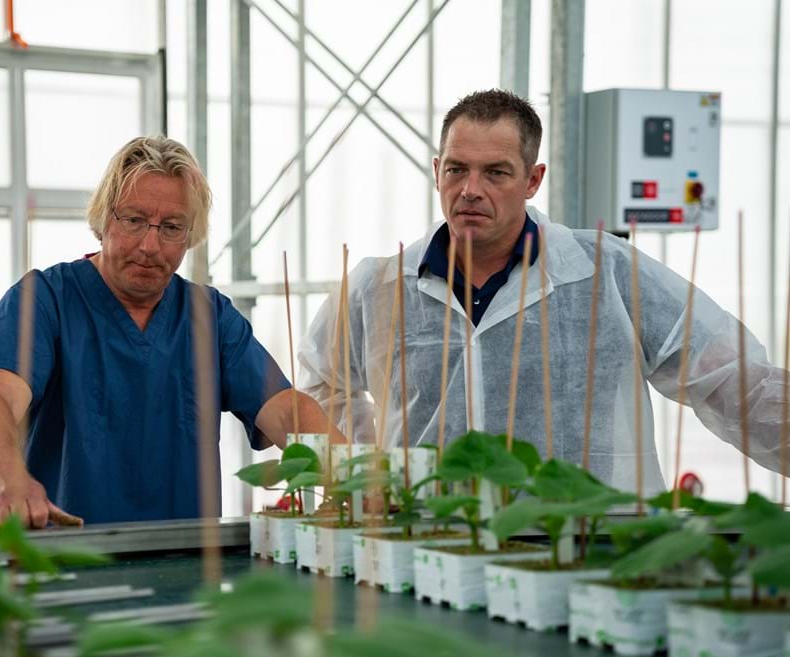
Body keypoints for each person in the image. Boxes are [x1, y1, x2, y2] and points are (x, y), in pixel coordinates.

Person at [299, 89, 788, 496]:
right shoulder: (379, 287)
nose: (470, 189)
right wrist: (372, 468)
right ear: (436, 172)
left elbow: (731, 379)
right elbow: (321, 386)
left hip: (591, 538)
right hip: (433, 544)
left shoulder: (605, 273)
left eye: (496, 172)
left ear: (532, 180)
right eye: (456, 169)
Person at [0, 136, 343, 528]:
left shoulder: (210, 318)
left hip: (186, 564)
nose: (151, 245)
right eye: (134, 221)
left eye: (172, 227)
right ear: (103, 220)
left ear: (191, 237)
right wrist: (3, 474)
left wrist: (356, 475)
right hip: (65, 559)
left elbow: (285, 409)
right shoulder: (45, 301)